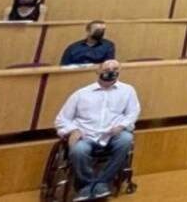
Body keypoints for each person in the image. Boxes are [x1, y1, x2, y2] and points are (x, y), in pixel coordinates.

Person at [55, 60, 140, 201]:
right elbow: (61, 119)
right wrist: (73, 130)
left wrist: (122, 125)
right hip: (86, 135)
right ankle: (86, 186)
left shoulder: (128, 90)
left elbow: (133, 113)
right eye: (107, 68)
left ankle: (102, 183)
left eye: (115, 68)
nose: (111, 71)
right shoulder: (81, 94)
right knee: (78, 150)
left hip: (113, 134)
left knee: (126, 139)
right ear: (98, 71)